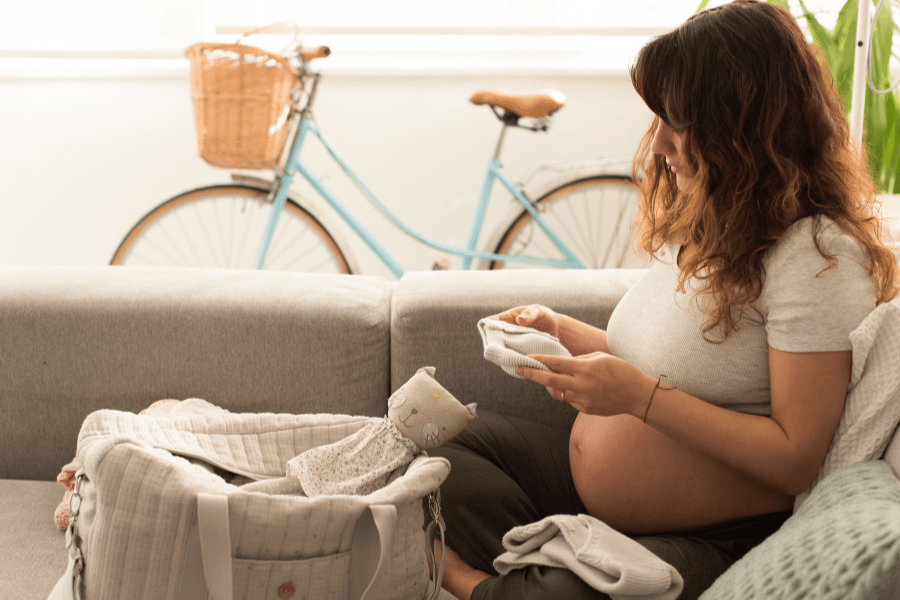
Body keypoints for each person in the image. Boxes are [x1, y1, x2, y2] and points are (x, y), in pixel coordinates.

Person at [426, 1, 900, 599]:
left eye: (676, 124)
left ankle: (466, 581)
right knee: (435, 451)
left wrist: (638, 398)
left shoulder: (819, 257)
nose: (657, 145)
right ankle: (536, 561)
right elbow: (684, 364)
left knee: (556, 596)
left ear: (742, 128)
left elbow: (794, 458)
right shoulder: (719, 217)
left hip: (721, 535)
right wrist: (567, 334)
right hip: (595, 493)